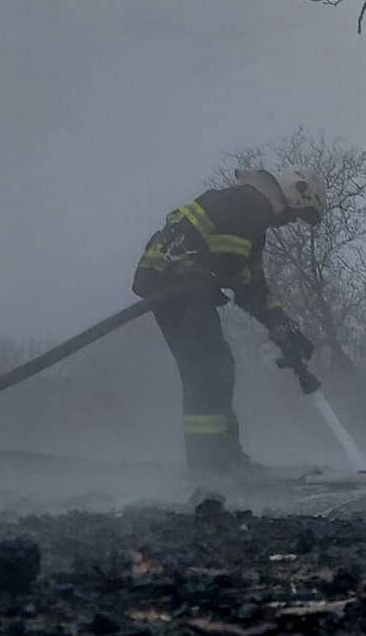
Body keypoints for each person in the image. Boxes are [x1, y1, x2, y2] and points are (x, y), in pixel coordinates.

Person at [132, 167, 327, 475]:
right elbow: (238, 276)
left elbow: (252, 284)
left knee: (216, 369)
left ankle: (225, 459)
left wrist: (283, 326)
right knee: (210, 371)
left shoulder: (249, 211)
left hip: (178, 287)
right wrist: (278, 326)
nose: (290, 222)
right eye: (296, 215)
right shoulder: (248, 206)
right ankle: (210, 466)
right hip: (178, 288)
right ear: (294, 194)